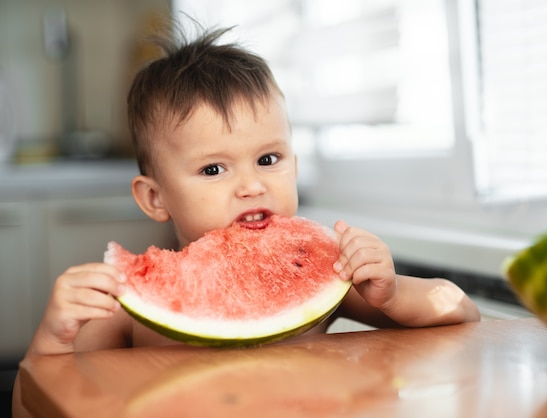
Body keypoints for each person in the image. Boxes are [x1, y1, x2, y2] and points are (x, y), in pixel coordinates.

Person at [13, 26, 480, 416]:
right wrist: (50, 341)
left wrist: (393, 291)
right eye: (214, 169)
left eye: (269, 158)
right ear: (155, 197)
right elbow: (38, 404)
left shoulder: (331, 273)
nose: (251, 185)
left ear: (295, 168)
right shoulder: (123, 307)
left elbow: (458, 307)